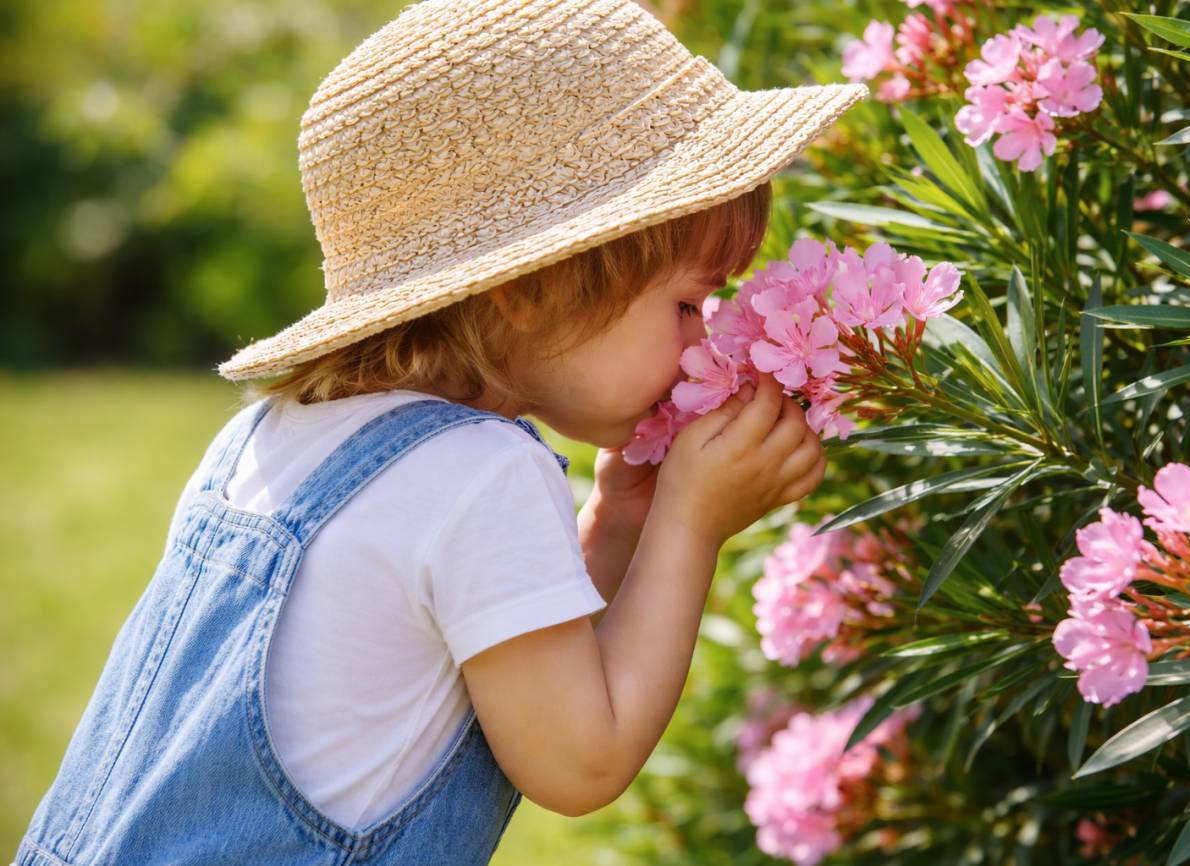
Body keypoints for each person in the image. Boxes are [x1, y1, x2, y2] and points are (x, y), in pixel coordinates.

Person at [13, 1, 866, 863]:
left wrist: (618, 524)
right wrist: (690, 525)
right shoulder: (481, 473)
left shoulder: (272, 439)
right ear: (528, 289)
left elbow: (516, 655)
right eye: (687, 303)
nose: (703, 339)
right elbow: (580, 760)